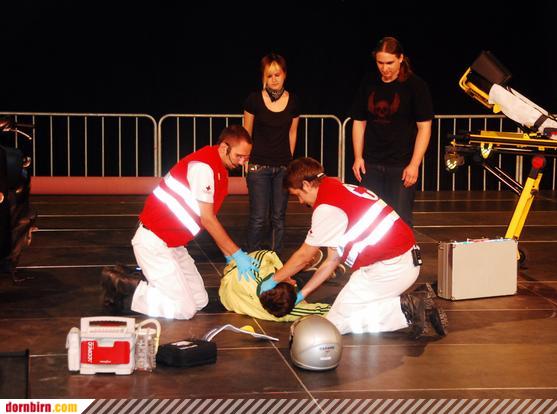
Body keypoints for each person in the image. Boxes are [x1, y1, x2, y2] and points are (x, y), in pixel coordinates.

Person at [259, 157, 448, 337]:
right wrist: (302, 294)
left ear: (307, 185)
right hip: (401, 264)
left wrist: (273, 279)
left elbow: (304, 256)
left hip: (389, 269)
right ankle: (414, 303)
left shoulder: (326, 207)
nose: (301, 202)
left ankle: (408, 308)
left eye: (298, 195)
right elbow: (332, 260)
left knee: (335, 325)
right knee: (347, 314)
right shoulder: (340, 188)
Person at [101, 125, 259, 320]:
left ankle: (142, 280)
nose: (242, 162)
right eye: (239, 156)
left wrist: (229, 255)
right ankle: (125, 287)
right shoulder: (204, 168)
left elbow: (209, 220)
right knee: (184, 310)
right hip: (154, 243)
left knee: (200, 301)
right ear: (224, 147)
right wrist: (237, 254)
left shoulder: (219, 168)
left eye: (246, 158)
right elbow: (208, 219)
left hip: (173, 244)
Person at [350, 36, 433, 228]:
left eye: (390, 63)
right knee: (369, 218)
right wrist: (358, 157)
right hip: (371, 164)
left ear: (400, 58)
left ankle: (404, 249)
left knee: (400, 220)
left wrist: (414, 164)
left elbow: (424, 127)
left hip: (401, 166)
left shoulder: (415, 86)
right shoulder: (369, 82)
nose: (385, 68)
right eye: (380, 63)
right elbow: (359, 121)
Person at [243, 53, 300, 254]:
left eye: (277, 74)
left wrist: (289, 160)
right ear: (263, 77)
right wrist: (246, 160)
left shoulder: (293, 101)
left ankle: (274, 259)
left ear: (284, 74)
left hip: (282, 167)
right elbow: (246, 133)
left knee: (278, 217)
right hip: (258, 166)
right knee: (258, 217)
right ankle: (252, 257)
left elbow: (292, 132)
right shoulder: (254, 100)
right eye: (269, 75)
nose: (274, 79)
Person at [219, 249, 330, 321]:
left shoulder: (257, 266)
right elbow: (325, 311)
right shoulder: (284, 311)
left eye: (290, 283)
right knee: (299, 280)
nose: (293, 283)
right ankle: (314, 269)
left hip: (231, 285)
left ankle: (304, 266)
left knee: (289, 271)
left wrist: (281, 272)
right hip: (227, 292)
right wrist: (299, 296)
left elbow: (269, 254)